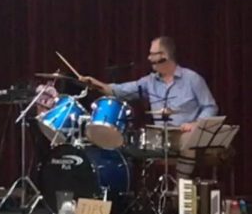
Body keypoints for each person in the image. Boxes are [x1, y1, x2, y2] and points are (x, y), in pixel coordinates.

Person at [81, 36, 217, 177]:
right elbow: (119, 91)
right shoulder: (149, 81)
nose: (148, 57)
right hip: (160, 136)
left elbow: (210, 107)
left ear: (164, 55)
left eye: (152, 54)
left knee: (188, 141)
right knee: (126, 142)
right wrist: (93, 83)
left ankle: (181, 189)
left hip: (185, 134)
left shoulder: (192, 79)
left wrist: (195, 124)